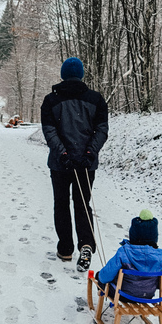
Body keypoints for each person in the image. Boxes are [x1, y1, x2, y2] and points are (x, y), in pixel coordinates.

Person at [41, 57, 108, 271]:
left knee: (61, 204)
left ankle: (66, 248)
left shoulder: (51, 100)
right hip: (86, 165)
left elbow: (49, 131)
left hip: (60, 164)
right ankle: (86, 244)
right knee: (82, 203)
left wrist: (63, 154)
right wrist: (89, 153)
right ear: (81, 75)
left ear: (62, 74)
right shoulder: (96, 99)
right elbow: (102, 130)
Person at [95, 209, 162, 300]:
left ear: (133, 234)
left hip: (122, 295)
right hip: (147, 295)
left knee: (101, 278)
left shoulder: (123, 253)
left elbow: (105, 277)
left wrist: (99, 276)